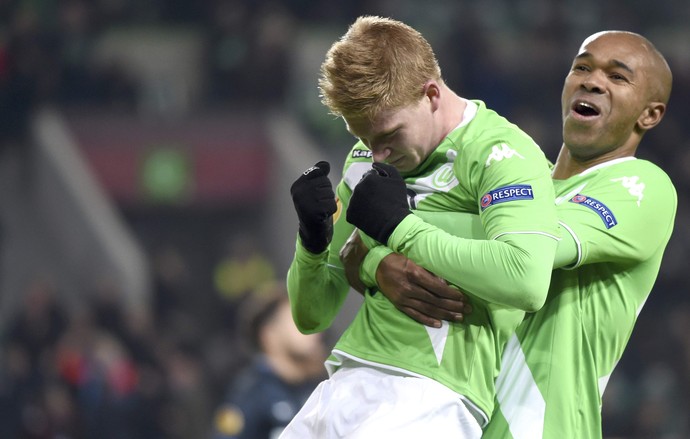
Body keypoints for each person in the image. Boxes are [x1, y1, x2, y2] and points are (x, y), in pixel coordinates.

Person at [343, 30, 677, 439]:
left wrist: (389, 231)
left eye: (618, 77)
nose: (592, 81)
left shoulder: (642, 186)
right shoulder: (518, 184)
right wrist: (376, 264)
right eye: (582, 67)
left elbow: (528, 250)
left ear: (650, 114)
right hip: (455, 414)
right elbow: (462, 256)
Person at [282, 15, 560, 438]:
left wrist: (399, 230)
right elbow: (311, 315)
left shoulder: (501, 153)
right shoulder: (367, 159)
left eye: (388, 135)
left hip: (432, 394)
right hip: (346, 378)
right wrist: (312, 240)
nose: (376, 155)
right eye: (364, 139)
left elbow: (526, 279)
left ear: (431, 94)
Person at [211, 284, 327, 439]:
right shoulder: (249, 394)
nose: (314, 327)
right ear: (269, 335)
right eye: (299, 320)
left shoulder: (317, 386)